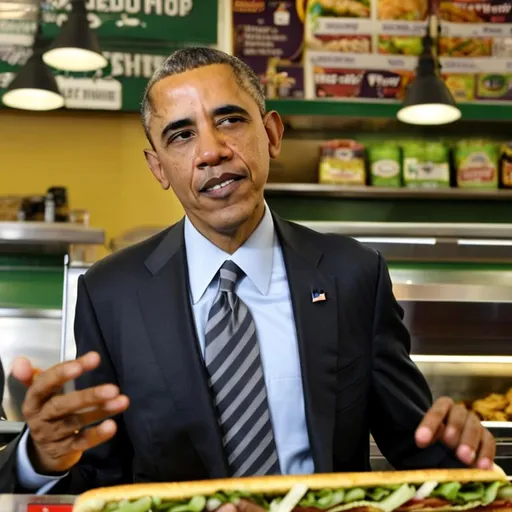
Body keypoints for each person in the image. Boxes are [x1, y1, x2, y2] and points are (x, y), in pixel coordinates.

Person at [0, 47, 495, 495]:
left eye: (230, 120)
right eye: (181, 134)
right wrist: (40, 457)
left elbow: (417, 444)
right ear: (159, 168)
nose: (211, 151)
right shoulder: (109, 293)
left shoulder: (354, 274)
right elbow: (103, 478)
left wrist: (463, 454)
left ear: (272, 133)